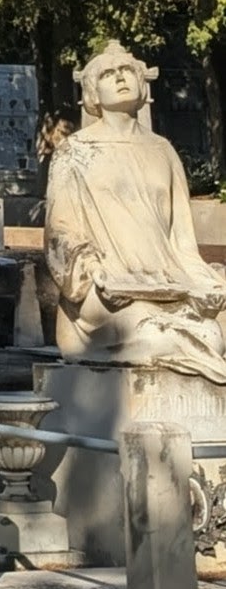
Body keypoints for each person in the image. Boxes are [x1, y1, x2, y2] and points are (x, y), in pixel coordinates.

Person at [45, 41, 226, 382]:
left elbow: (182, 241)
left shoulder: (163, 151)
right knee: (157, 334)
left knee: (214, 331)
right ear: (92, 92)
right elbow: (60, 233)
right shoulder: (75, 152)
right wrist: (92, 270)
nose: (120, 78)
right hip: (105, 293)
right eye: (108, 74)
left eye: (127, 70)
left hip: (167, 285)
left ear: (142, 83)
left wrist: (206, 282)